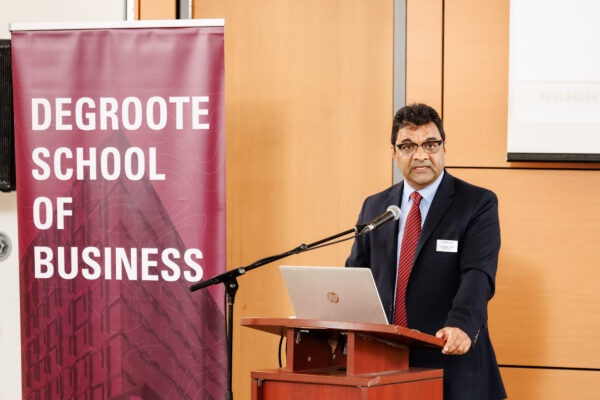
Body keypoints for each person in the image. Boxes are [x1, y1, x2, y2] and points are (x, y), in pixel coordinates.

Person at [346, 103, 506, 399]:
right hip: (385, 365)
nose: (420, 155)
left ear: (444, 147)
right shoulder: (376, 206)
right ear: (394, 154)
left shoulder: (476, 203)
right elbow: (356, 275)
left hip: (452, 362)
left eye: (430, 144)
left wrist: (460, 325)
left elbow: (478, 275)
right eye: (408, 146)